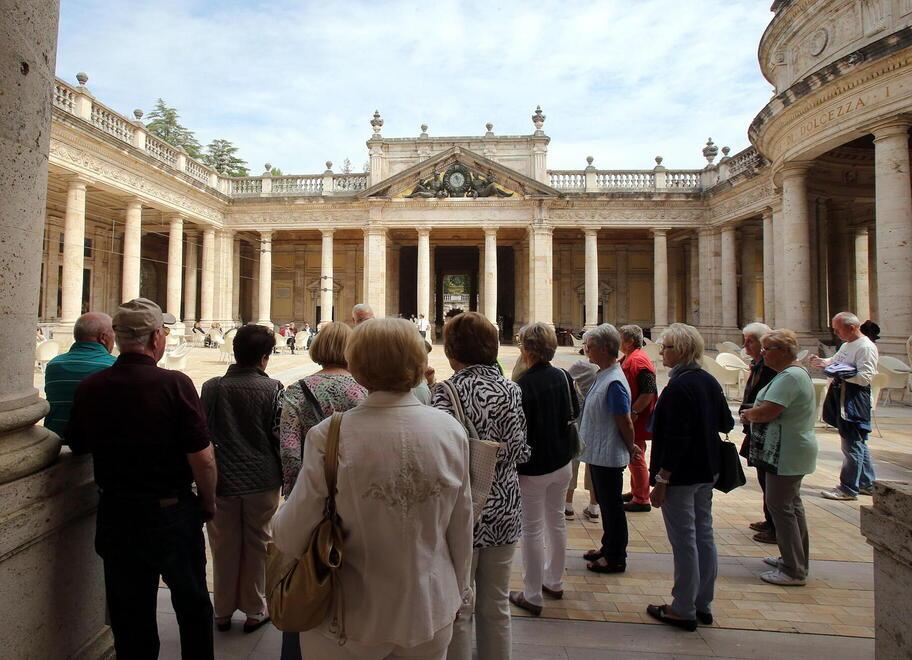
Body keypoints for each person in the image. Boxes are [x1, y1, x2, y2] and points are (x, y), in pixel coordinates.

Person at [272, 318, 473, 658]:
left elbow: (291, 533)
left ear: (357, 366)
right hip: (429, 606)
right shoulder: (450, 430)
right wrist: (461, 588)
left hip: (349, 613)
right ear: (418, 363)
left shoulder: (328, 435)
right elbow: (461, 524)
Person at [66, 298, 216, 659]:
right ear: (156, 339)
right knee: (193, 604)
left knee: (130, 614)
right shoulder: (175, 384)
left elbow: (77, 442)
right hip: (172, 511)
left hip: (117, 513)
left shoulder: (91, 386)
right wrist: (208, 503)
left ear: (114, 338)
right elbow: (203, 458)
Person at [431, 311, 529, 660]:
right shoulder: (512, 390)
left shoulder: (447, 391)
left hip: (461, 512)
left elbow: (440, 456)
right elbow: (519, 450)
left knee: (458, 605)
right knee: (497, 604)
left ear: (452, 351)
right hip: (504, 509)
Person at [645, 323, 733, 632]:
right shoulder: (708, 381)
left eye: (666, 347)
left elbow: (677, 438)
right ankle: (702, 603)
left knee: (684, 540)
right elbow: (727, 421)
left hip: (680, 474)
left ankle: (682, 608)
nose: (661, 352)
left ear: (680, 351)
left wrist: (663, 479)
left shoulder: (679, 387)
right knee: (703, 535)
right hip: (707, 469)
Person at [200, 324, 283, 634]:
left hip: (220, 478)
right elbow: (277, 436)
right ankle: (254, 609)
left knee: (222, 545)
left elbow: (202, 436)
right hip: (262, 479)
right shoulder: (273, 388)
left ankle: (221, 611)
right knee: (259, 543)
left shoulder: (211, 387)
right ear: (265, 356)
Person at [740, 329, 818, 587]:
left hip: (786, 451)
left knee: (781, 507)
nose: (763, 354)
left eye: (767, 349)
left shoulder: (790, 377)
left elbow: (770, 411)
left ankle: (793, 569)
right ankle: (794, 558)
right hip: (789, 449)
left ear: (784, 351)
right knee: (791, 507)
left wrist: (749, 414)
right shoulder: (790, 374)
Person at [509, 323, 574, 616]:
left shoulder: (522, 385)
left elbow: (517, 430)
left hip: (534, 466)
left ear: (527, 349)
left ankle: (533, 594)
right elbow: (575, 410)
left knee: (532, 529)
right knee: (556, 521)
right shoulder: (563, 375)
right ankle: (555, 581)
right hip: (563, 462)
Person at [279, 321, 367, 496]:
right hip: (355, 485)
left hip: (312, 482)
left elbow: (289, 447)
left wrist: (295, 492)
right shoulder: (364, 389)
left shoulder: (297, 390)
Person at [578, 323, 638, 574]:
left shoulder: (613, 380)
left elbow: (623, 418)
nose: (586, 351)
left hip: (609, 453)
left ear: (603, 349)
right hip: (599, 450)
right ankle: (608, 545)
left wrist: (630, 445)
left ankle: (616, 556)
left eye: (589, 347)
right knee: (605, 501)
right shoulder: (604, 373)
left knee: (612, 505)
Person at [812, 312, 879, 501]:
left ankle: (848, 488)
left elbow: (865, 377)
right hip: (842, 396)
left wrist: (841, 373)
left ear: (851, 328)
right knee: (858, 443)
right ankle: (866, 484)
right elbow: (835, 361)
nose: (835, 332)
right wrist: (822, 363)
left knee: (852, 444)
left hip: (854, 399)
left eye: (837, 329)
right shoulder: (848, 344)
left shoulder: (866, 347)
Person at [44, 312, 116, 441]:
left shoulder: (53, 365)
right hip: (93, 442)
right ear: (103, 337)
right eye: (113, 334)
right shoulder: (114, 367)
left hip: (55, 438)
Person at [738, 322, 777, 544]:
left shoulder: (771, 368)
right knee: (764, 478)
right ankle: (769, 518)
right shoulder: (759, 365)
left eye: (750, 341)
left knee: (771, 480)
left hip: (767, 430)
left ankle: (775, 525)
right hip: (756, 427)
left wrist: (751, 412)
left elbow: (770, 401)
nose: (745, 346)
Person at [618, 325, 657, 513]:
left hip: (637, 418)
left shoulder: (639, 361)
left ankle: (642, 499)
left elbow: (648, 391)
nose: (619, 342)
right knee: (634, 455)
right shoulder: (630, 358)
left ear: (630, 341)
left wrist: (633, 412)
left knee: (636, 455)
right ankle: (636, 491)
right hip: (633, 415)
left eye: (621, 338)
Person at [564, 359, 600, 520]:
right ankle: (593, 507)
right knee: (593, 466)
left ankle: (568, 505)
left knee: (573, 463)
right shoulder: (599, 368)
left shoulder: (580, 365)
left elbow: (566, 377)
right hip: (594, 424)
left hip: (578, 424)